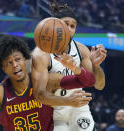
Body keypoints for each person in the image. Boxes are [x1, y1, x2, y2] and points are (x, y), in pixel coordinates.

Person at [0, 35, 93, 130]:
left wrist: (77, 69)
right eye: (9, 62)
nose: (15, 65)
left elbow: (85, 81)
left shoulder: (47, 81)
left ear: (26, 60)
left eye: (17, 59)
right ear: (3, 68)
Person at [31, 2, 107, 131]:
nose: (70, 28)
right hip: (52, 107)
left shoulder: (81, 50)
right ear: (55, 25)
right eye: (66, 24)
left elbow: (99, 85)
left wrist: (96, 66)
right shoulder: (40, 54)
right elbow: (39, 95)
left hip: (77, 105)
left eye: (73, 26)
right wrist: (67, 101)